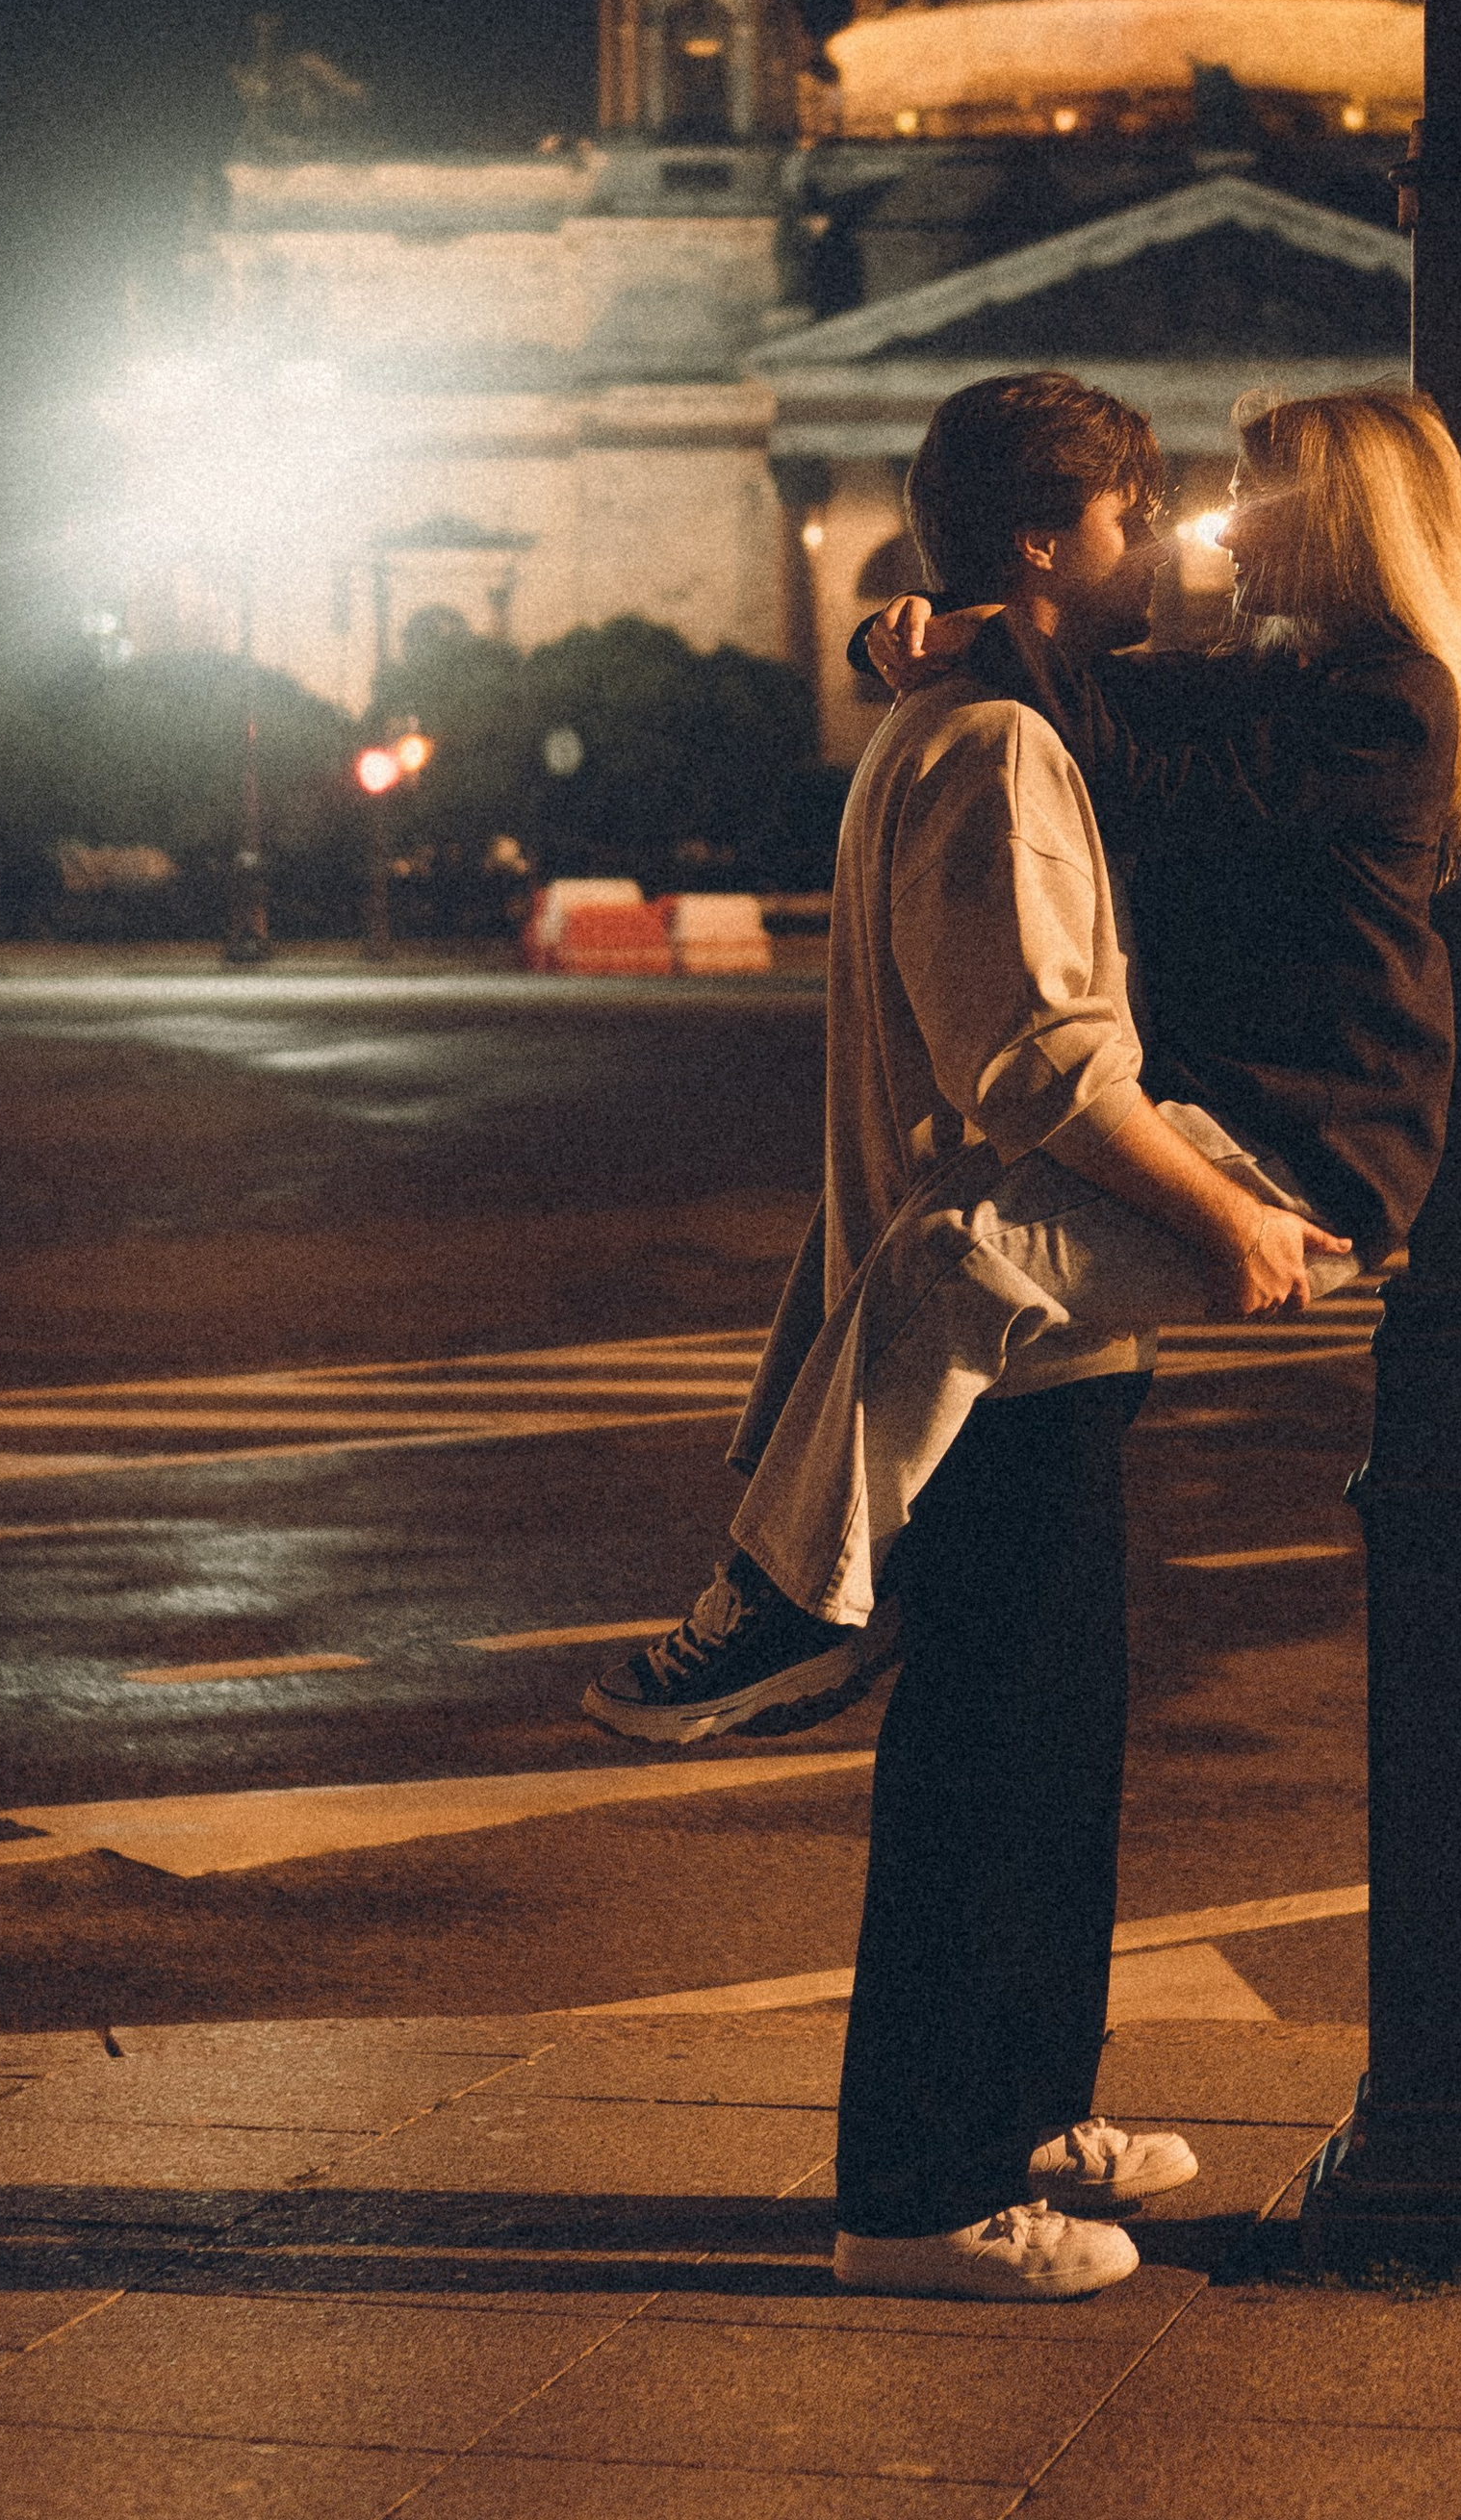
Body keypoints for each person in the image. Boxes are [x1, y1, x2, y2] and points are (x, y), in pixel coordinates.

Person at [591, 370, 1350, 2304]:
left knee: (1052, 1754)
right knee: (982, 1771)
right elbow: (1029, 1067)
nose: (1158, 544)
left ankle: (1018, 2107)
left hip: (1037, 1347)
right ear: (1039, 540)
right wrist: (1223, 1219)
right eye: (1127, 518)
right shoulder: (993, 749)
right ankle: (919, 2195)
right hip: (998, 1350)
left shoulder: (978, 708)